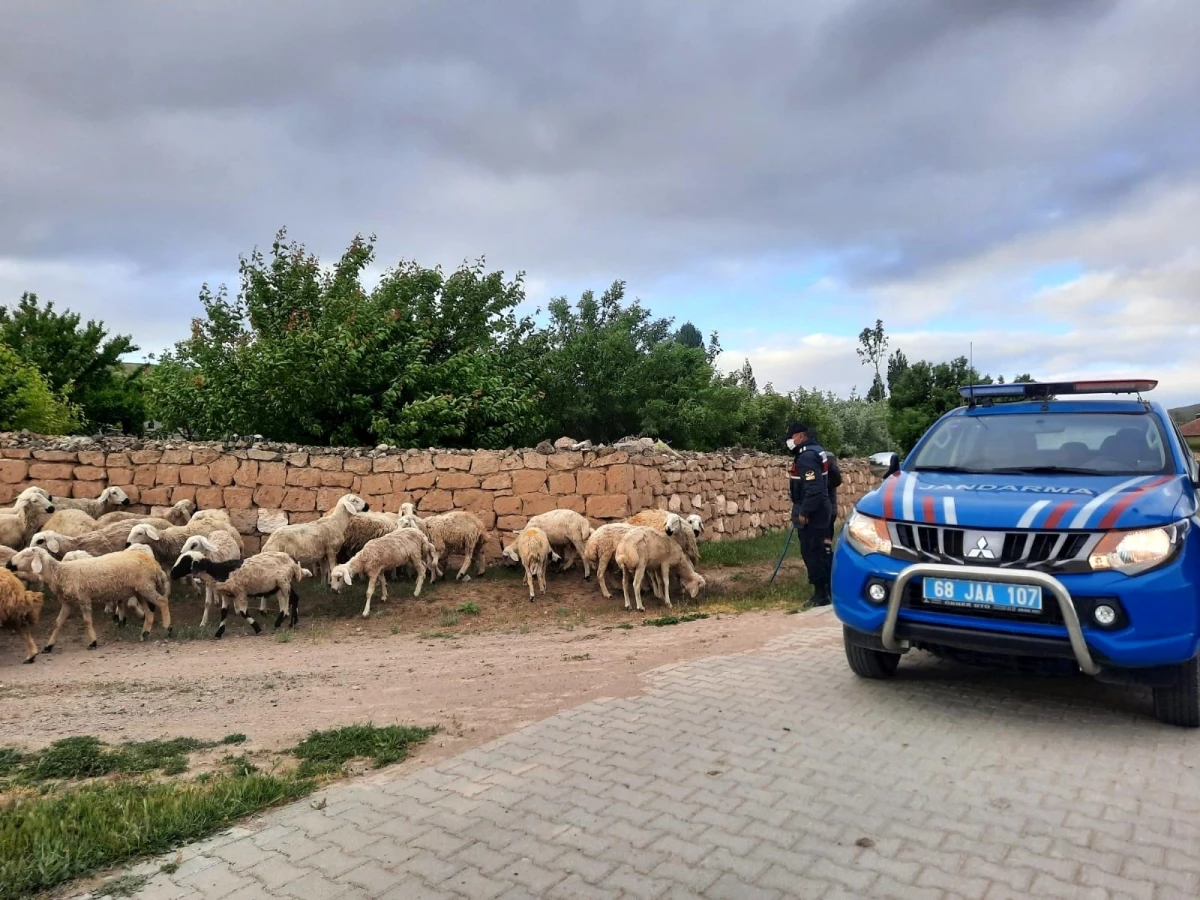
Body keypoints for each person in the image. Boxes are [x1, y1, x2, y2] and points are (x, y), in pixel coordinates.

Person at [786, 422, 832, 606]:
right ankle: (828, 590)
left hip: (813, 510)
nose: (790, 441)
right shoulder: (818, 450)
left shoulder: (806, 457)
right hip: (822, 507)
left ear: (800, 436)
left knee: (812, 551)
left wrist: (805, 511)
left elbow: (814, 488)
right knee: (821, 550)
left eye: (791, 437)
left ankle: (821, 594)